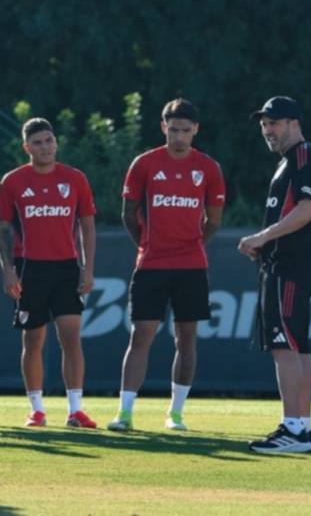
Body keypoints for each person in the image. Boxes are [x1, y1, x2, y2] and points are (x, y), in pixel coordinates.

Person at [109, 98, 225, 433]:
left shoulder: (208, 168)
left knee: (186, 339)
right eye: (173, 129)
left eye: (186, 131)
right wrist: (147, 245)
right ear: (163, 127)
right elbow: (128, 214)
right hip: (151, 264)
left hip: (191, 266)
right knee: (140, 336)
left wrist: (190, 246)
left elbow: (213, 220)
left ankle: (175, 413)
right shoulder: (145, 164)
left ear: (196, 130)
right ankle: (125, 413)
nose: (179, 136)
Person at [0, 118, 98, 429]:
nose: (45, 147)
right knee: (33, 339)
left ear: (56, 142)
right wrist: (8, 270)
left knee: (71, 338)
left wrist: (87, 268)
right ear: (27, 147)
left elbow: (87, 226)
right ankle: (36, 409)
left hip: (66, 267)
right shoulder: (13, 181)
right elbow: (1, 228)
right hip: (29, 267)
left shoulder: (74, 178)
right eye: (37, 142)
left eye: (49, 141)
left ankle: (75, 410)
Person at [239, 96, 311, 454]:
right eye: (263, 124)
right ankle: (302, 427)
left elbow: (306, 210)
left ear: (293, 122)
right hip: (286, 265)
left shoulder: (303, 156)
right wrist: (266, 243)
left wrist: (263, 236)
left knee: (284, 347)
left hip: (288, 268)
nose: (267, 130)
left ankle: (292, 427)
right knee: (298, 348)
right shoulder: (288, 162)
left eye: (273, 122)